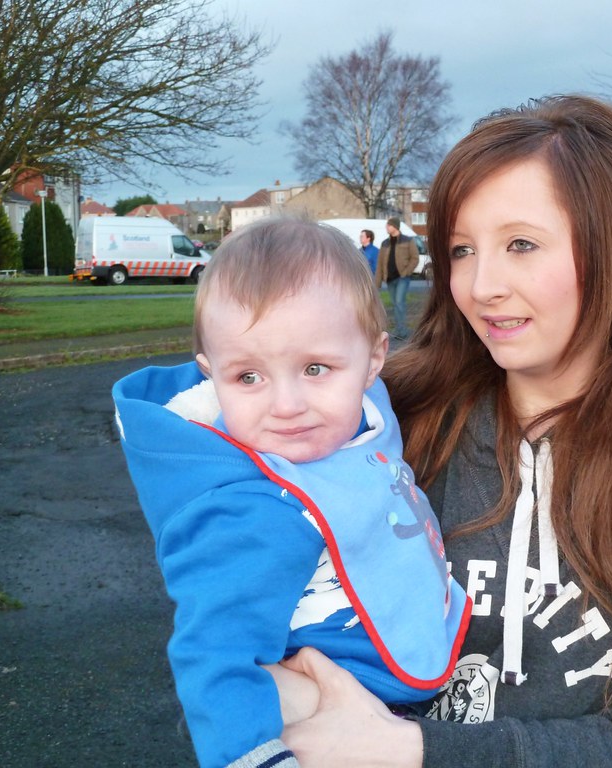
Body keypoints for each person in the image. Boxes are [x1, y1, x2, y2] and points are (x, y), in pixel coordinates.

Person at [276, 95, 612, 767]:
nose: (481, 286)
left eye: (520, 245)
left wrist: (412, 751)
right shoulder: (389, 416)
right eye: (460, 250)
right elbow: (256, 610)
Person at [112, 217, 471, 768]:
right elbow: (214, 657)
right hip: (333, 711)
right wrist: (258, 758)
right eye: (248, 377)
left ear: (373, 360)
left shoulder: (364, 414)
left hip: (399, 676)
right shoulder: (253, 509)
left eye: (315, 368)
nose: (286, 404)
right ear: (211, 375)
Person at [374, 216, 419, 339]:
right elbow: (379, 264)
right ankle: (400, 328)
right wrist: (377, 283)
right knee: (395, 304)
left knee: (399, 302)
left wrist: (406, 272)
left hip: (402, 277)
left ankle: (402, 330)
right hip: (389, 278)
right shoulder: (385, 243)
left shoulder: (408, 240)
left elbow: (415, 258)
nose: (386, 227)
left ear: (395, 226)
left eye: (388, 225)